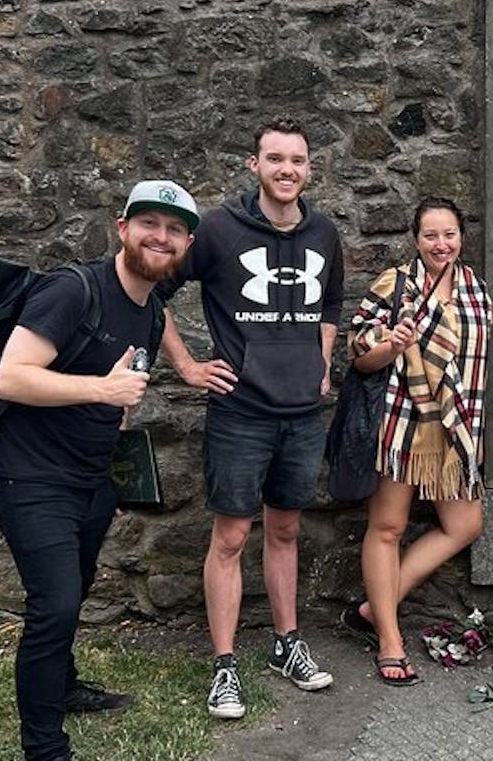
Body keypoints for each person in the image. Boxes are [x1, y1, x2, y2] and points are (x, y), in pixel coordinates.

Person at [0, 180, 198, 761]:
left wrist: (118, 422)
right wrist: (101, 388)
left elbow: (122, 396)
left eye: (175, 229)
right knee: (53, 603)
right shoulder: (72, 290)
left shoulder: (152, 311)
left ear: (185, 244)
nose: (161, 237)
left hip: (93, 478)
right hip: (32, 476)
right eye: (150, 224)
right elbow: (10, 378)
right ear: (122, 226)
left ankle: (62, 685)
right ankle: (44, 745)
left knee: (74, 589)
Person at [156, 116, 343, 719]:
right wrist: (186, 365)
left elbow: (331, 301)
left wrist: (323, 361)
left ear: (309, 168)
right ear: (254, 165)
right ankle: (224, 666)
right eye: (275, 159)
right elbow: (151, 285)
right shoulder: (216, 229)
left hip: (303, 413)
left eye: (297, 160)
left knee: (285, 530)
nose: (286, 169)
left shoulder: (324, 232)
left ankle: (286, 646)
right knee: (232, 536)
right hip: (241, 410)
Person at [338, 197, 493, 685]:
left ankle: (370, 609)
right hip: (400, 423)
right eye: (430, 235)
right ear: (416, 238)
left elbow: (477, 371)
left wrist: (475, 432)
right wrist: (390, 344)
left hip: (453, 429)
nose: (440, 244)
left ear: (460, 236)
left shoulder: (477, 292)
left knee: (464, 524)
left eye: (449, 234)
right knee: (388, 527)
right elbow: (358, 355)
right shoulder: (395, 285)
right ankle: (389, 639)